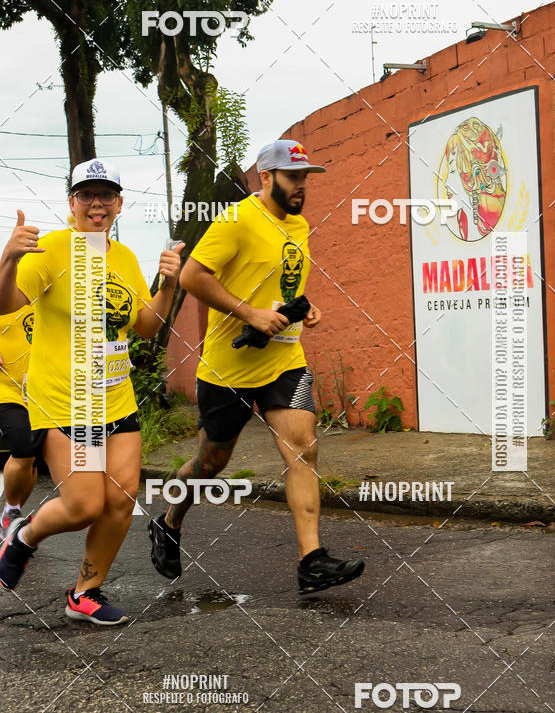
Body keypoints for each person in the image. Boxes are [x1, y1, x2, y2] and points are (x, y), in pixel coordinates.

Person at [149, 139, 365, 594]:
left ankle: (312, 560)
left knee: (303, 447)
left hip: (285, 361)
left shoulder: (300, 226)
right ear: (266, 178)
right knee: (212, 463)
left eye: (305, 178)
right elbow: (192, 277)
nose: (302, 186)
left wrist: (303, 308)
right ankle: (169, 521)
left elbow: (278, 281)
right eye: (293, 177)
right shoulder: (236, 220)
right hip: (228, 368)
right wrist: (249, 315)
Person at [0, 158, 183, 625]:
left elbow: (144, 325)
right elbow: (5, 304)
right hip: (65, 400)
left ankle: (85, 592)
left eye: (106, 195)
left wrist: (167, 284)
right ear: (72, 203)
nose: (96, 203)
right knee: (84, 505)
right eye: (86, 195)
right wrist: (10, 258)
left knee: (121, 501)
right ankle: (22, 536)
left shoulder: (122, 258)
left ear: (119, 204)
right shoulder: (51, 251)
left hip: (117, 398)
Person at [0, 304, 37, 539]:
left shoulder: (42, 291)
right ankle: (10, 512)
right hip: (4, 388)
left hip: (38, 390)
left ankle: (12, 514)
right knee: (24, 446)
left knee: (32, 459)